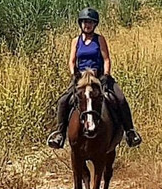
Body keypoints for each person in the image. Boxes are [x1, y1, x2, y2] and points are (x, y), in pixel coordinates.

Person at [47, 8, 142, 149]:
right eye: (85, 22)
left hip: (99, 77)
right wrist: (74, 74)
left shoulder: (99, 39)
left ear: (95, 24)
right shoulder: (75, 41)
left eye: (90, 22)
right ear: (81, 24)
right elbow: (72, 61)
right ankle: (60, 134)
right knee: (63, 101)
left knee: (120, 99)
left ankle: (130, 132)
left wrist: (106, 75)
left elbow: (106, 59)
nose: (87, 25)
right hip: (81, 79)